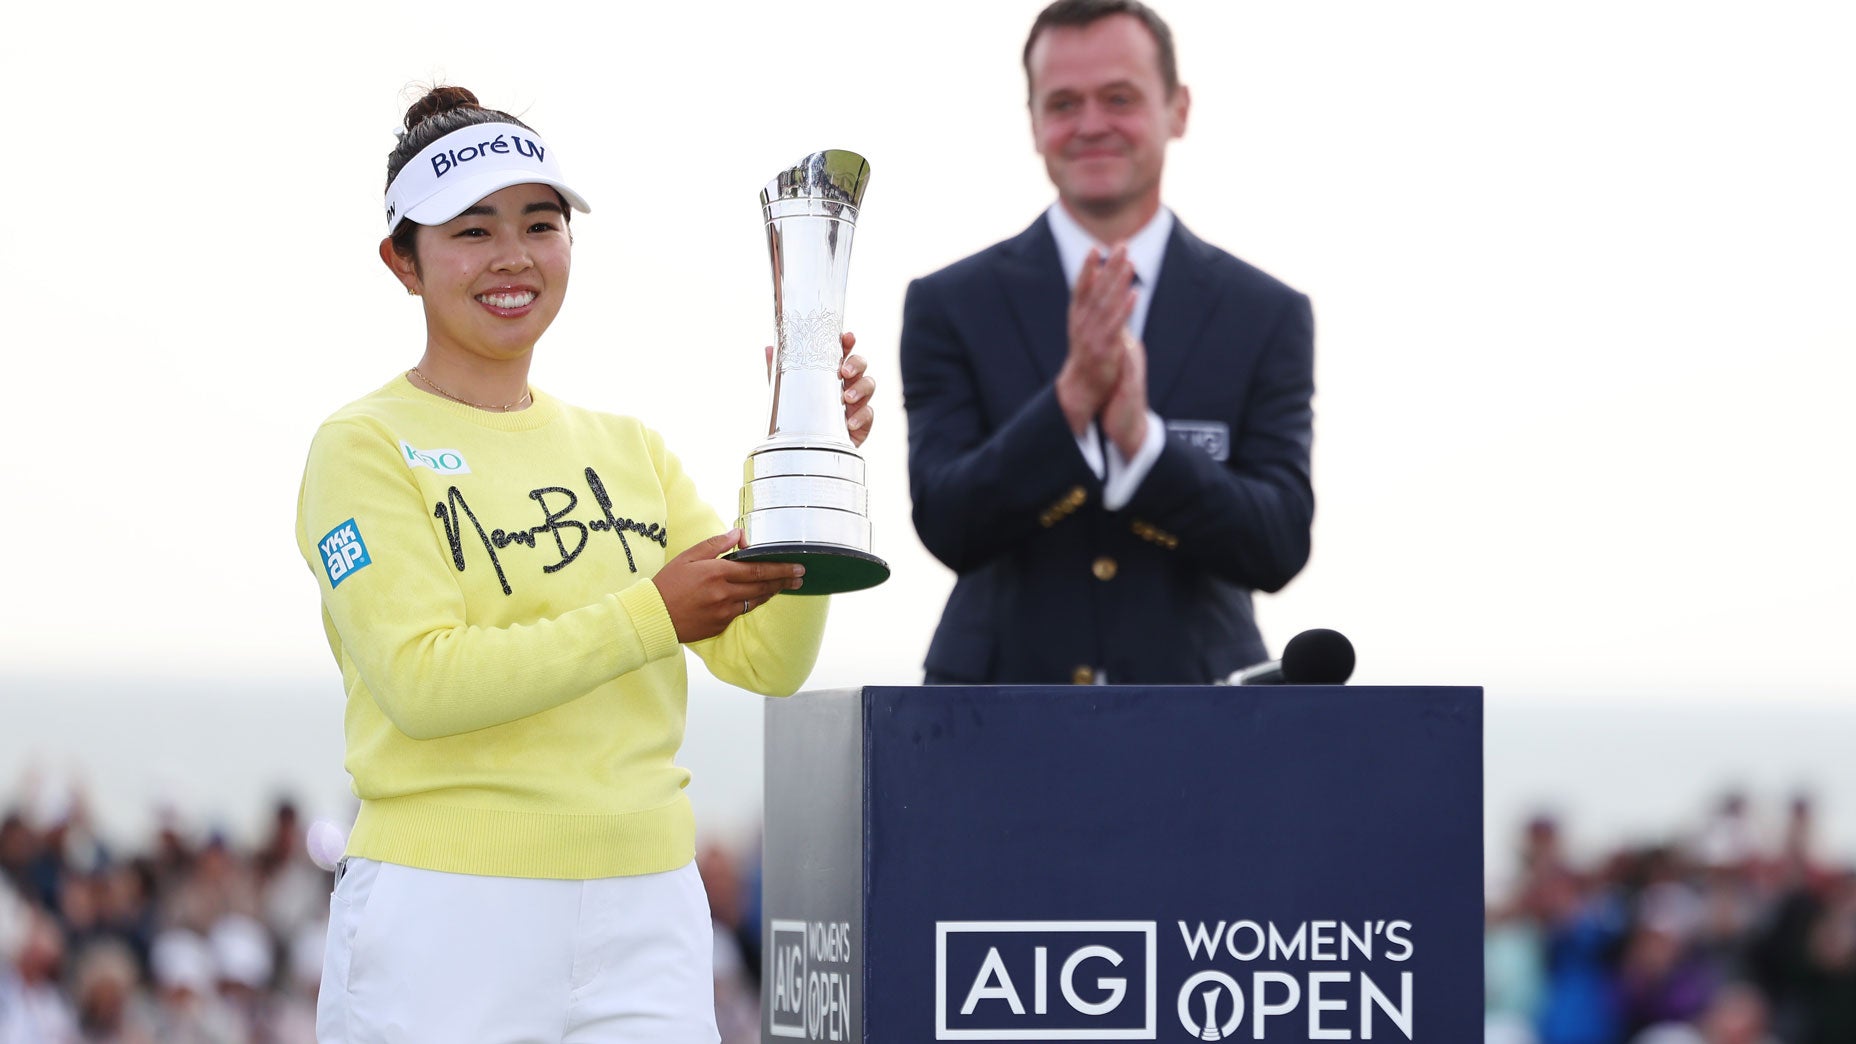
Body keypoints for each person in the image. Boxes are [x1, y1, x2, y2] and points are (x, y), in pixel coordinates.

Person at [293, 85, 875, 1042]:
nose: (514, 257)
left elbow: (768, 659)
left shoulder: (629, 449)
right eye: (472, 231)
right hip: (446, 915)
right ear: (404, 261)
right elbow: (422, 682)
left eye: (540, 222)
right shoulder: (361, 448)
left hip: (648, 912)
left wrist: (805, 456)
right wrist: (651, 614)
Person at [899, 0, 1314, 684]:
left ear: (1177, 109)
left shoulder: (1265, 313)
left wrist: (1142, 443)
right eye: (1063, 103)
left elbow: (1277, 544)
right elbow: (947, 523)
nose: (1091, 124)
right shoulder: (950, 304)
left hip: (1202, 718)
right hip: (991, 719)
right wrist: (1068, 406)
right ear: (1033, 122)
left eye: (1119, 98)